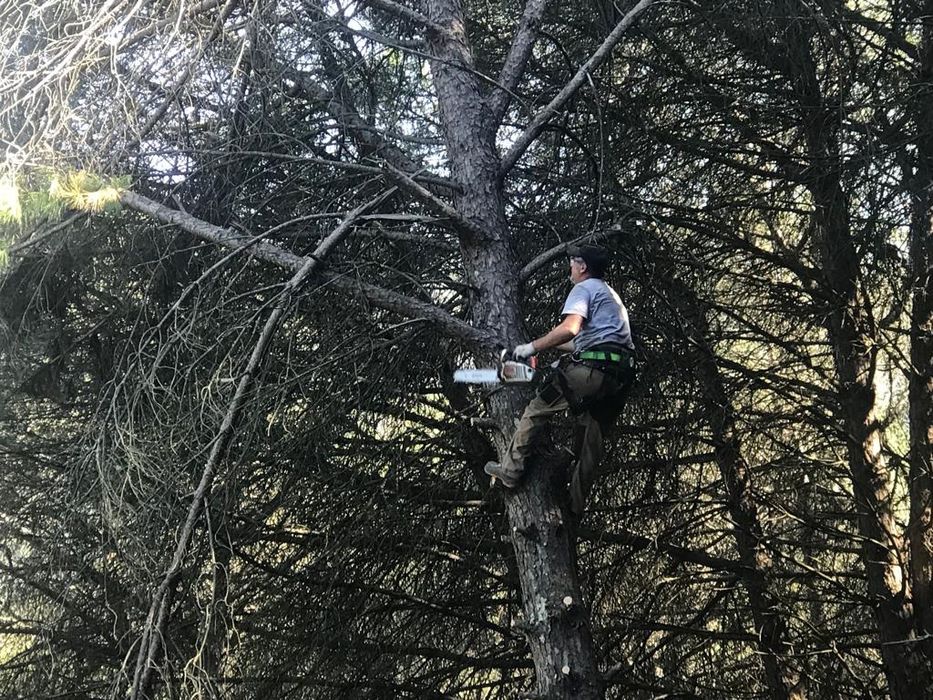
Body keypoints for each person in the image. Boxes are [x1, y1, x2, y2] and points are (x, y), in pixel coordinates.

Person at [484, 245, 636, 516]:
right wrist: (547, 344)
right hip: (619, 376)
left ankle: (509, 471)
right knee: (591, 443)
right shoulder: (609, 295)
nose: (570, 268)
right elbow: (581, 341)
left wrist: (531, 347)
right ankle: (572, 511)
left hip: (593, 371)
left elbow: (570, 329)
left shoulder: (583, 289)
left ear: (582, 267)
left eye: (573, 263)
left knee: (535, 410)